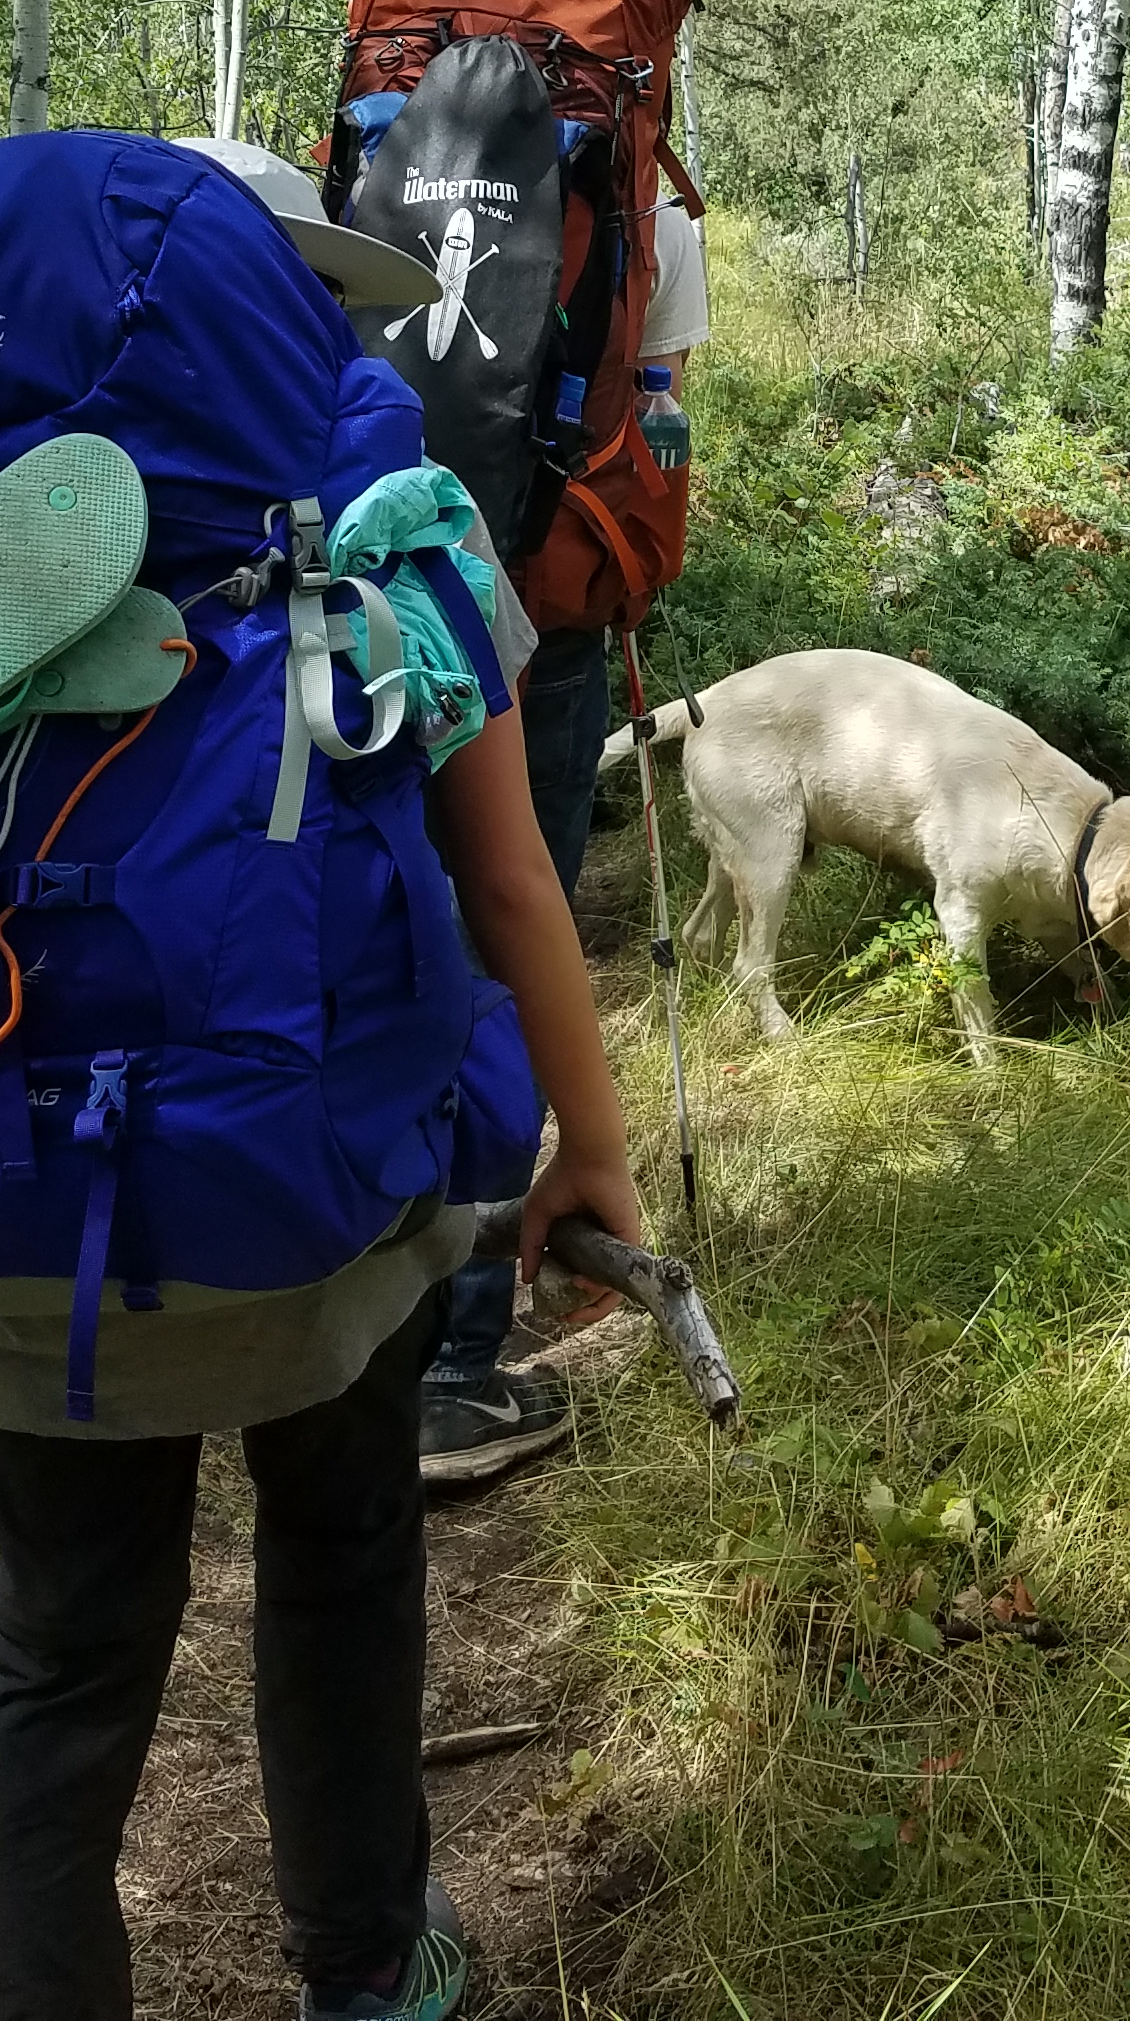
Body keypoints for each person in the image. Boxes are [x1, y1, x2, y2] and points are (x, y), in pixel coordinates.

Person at [0, 135, 642, 2021]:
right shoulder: (386, 525)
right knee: (342, 1538)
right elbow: (509, 874)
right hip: (308, 1194)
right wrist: (589, 1150)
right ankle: (371, 1972)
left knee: (62, 1651)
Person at [418, 180, 705, 1479]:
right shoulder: (645, 212)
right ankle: (454, 1370)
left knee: (377, 910)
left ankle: (339, 1294)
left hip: (373, 591)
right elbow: (660, 418)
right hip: (545, 598)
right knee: (510, 924)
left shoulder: (383, 152)